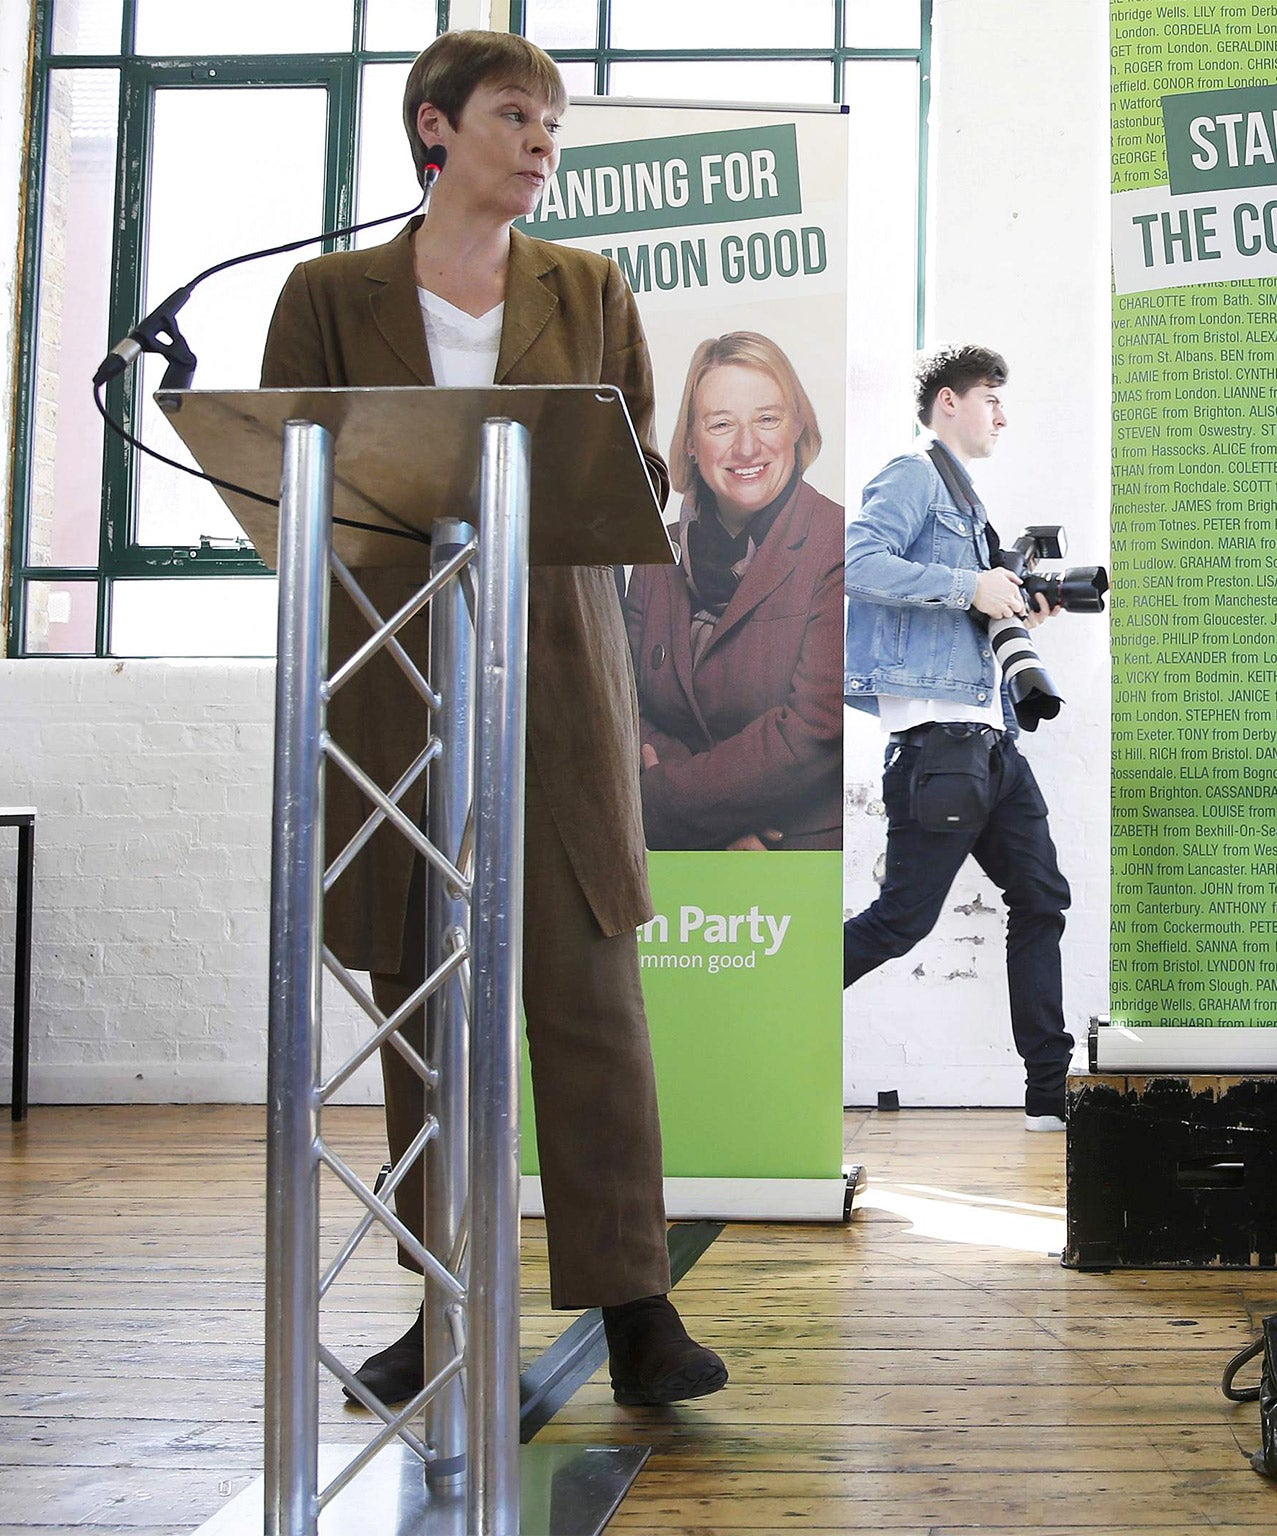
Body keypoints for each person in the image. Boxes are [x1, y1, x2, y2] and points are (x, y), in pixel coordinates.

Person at [260, 30, 726, 1408]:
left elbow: (639, 464)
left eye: (552, 125)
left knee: (587, 997)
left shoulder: (588, 286)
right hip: (392, 684)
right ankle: (439, 1298)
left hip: (555, 673)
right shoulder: (327, 292)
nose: (540, 143)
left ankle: (634, 1304)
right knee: (420, 1005)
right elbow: (288, 463)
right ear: (433, 128)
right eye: (515, 116)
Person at [842, 345, 1076, 1130]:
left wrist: (1010, 605)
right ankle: (766, 1014)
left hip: (990, 743)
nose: (1002, 416)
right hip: (936, 746)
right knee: (900, 924)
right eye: (990, 399)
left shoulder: (968, 502)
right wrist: (964, 585)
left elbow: (967, 612)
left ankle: (1049, 1097)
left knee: (1041, 897)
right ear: (948, 402)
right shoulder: (914, 474)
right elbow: (856, 559)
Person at [625, 331, 844, 852]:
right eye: (721, 424)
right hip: (670, 865)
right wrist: (717, 821)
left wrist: (656, 798)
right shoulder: (659, 553)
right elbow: (624, 702)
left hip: (794, 857)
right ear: (692, 445)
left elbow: (813, 728)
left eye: (767, 418)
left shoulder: (838, 544)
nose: (747, 446)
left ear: (798, 427)